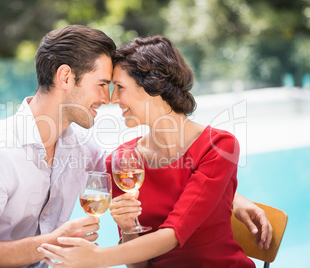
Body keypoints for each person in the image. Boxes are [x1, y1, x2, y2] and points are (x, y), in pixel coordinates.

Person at [38, 36, 272, 268]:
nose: (112, 98)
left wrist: (97, 258)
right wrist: (129, 229)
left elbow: (173, 233)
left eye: (120, 87)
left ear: (153, 86)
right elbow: (139, 266)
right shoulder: (122, 161)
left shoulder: (218, 145)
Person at [0, 25, 116, 268]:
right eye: (102, 84)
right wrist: (53, 242)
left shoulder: (82, 150)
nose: (108, 98)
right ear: (65, 77)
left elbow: (129, 173)